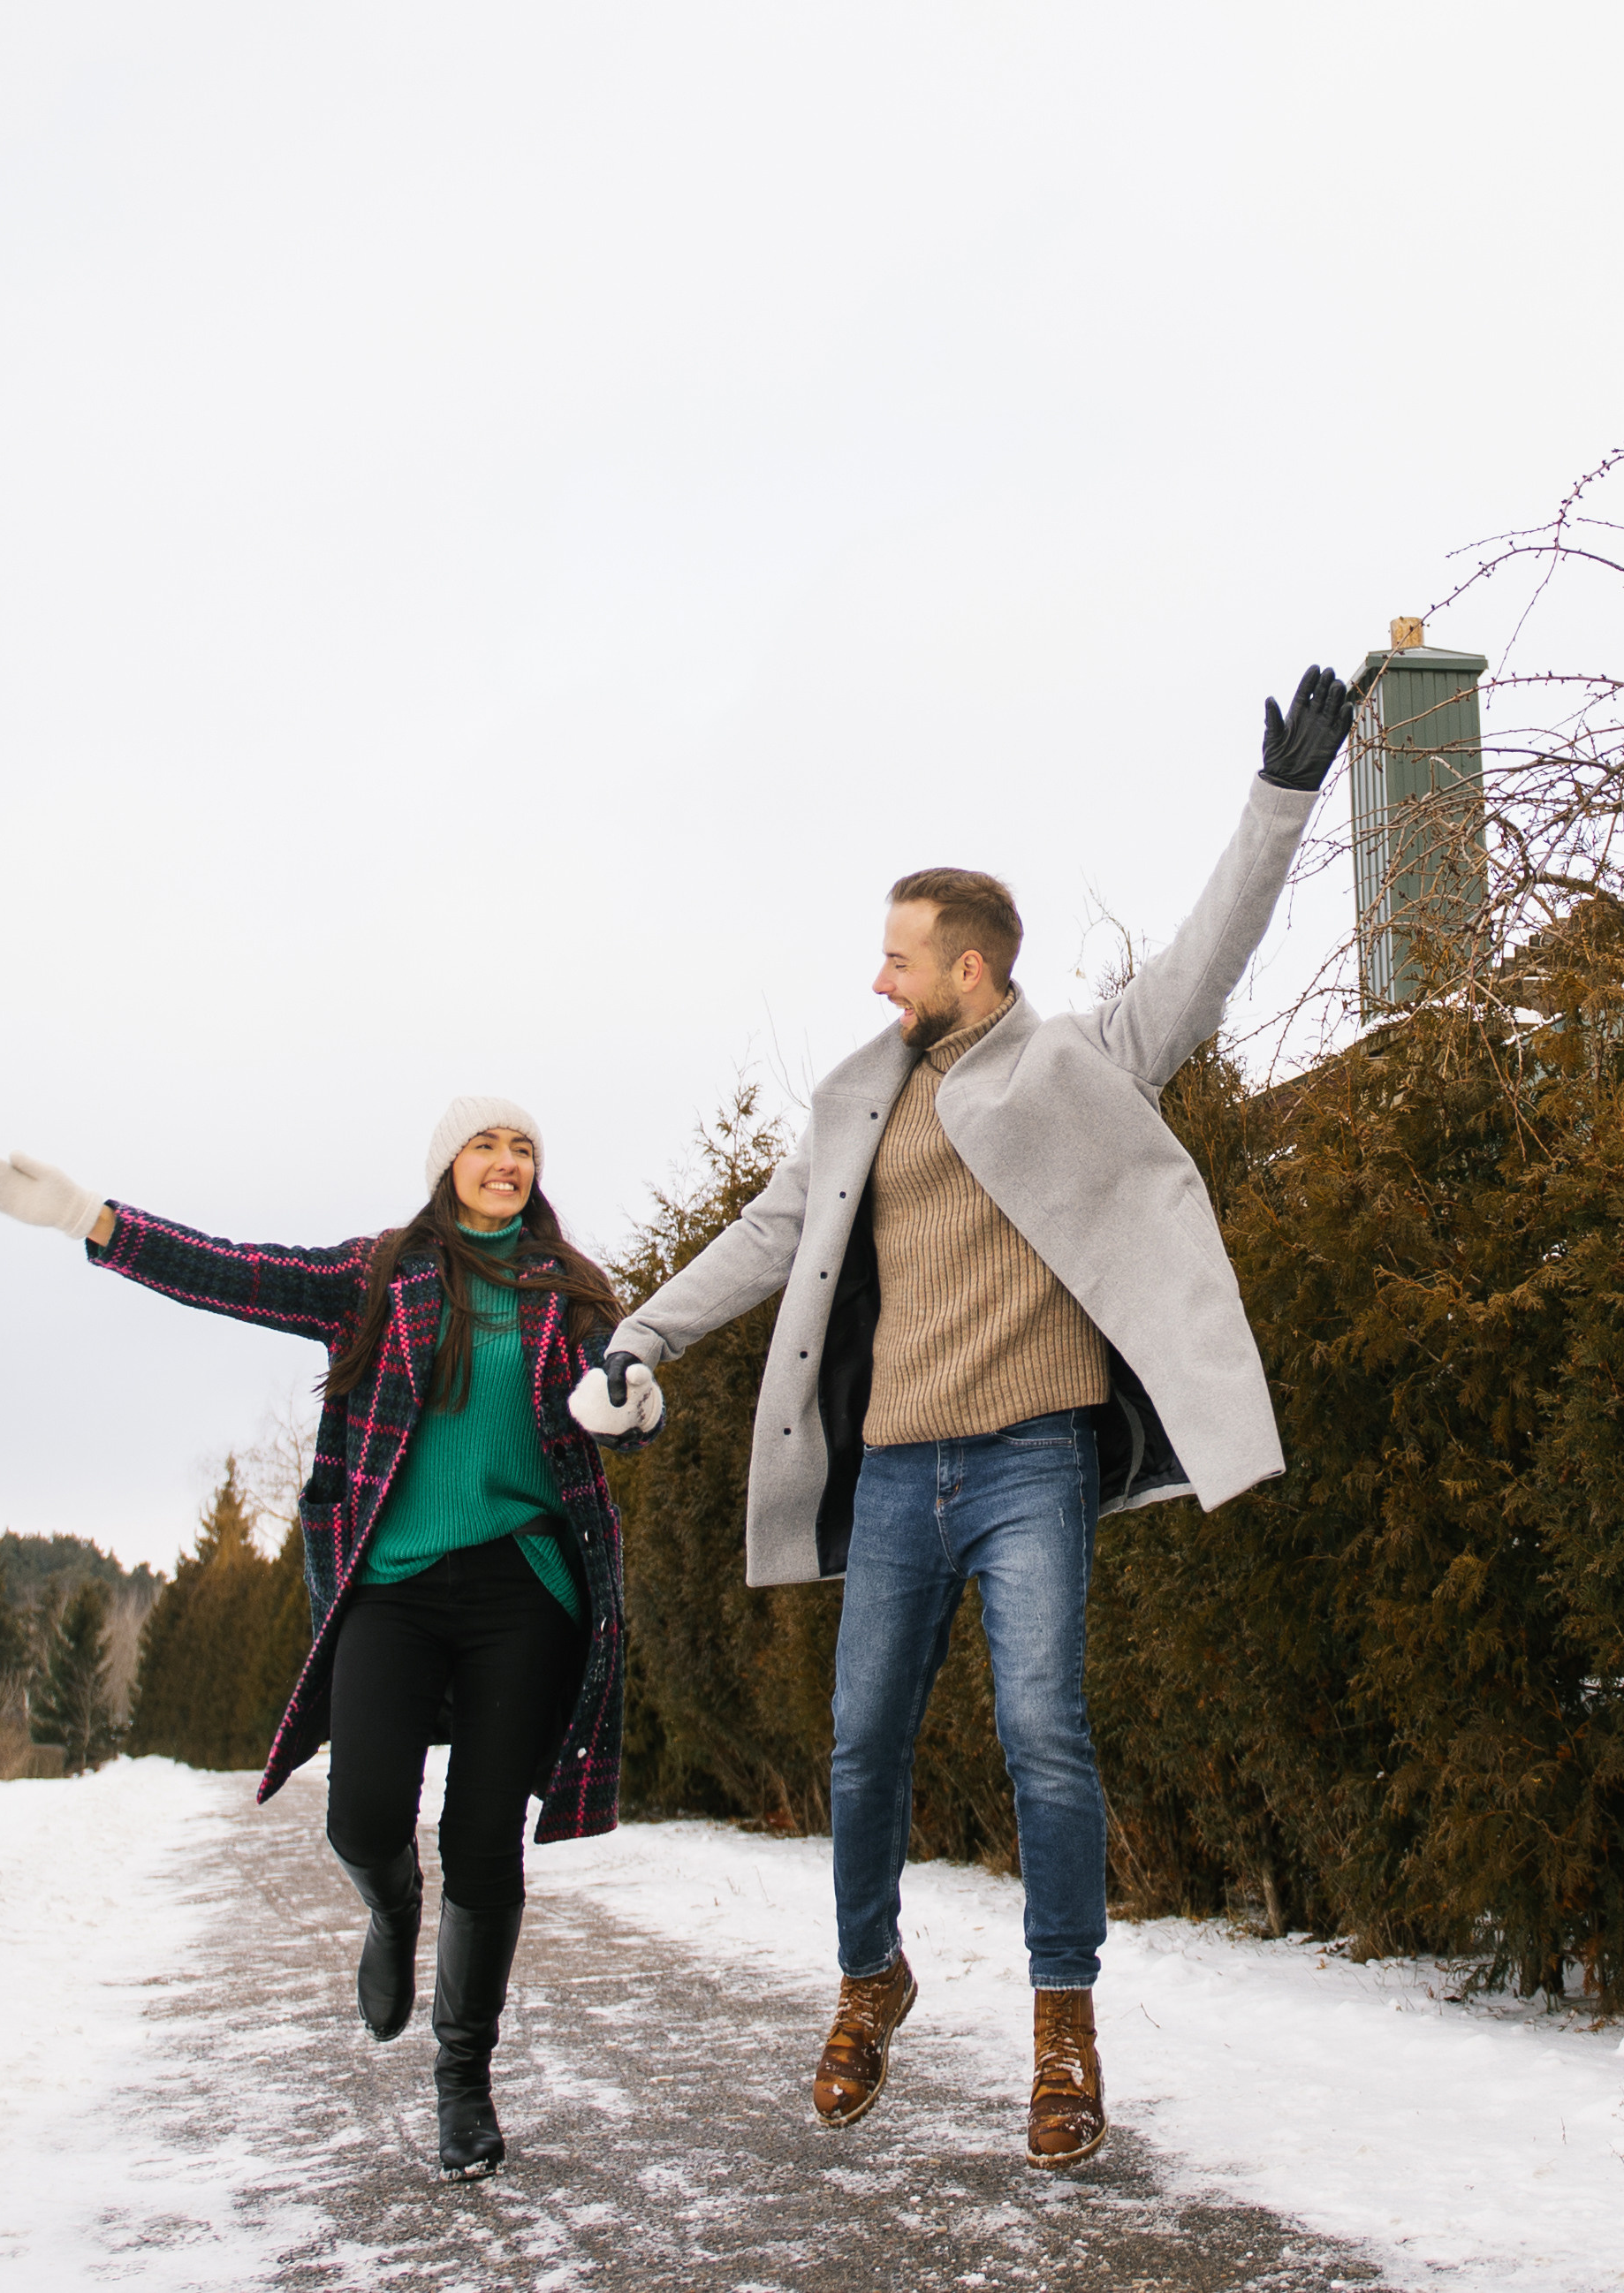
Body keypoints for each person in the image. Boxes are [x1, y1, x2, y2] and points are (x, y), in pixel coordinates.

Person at [604, 666, 1357, 2170]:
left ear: (971, 966)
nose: (877, 980)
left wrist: (1279, 800)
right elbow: (764, 1235)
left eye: (898, 957)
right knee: (861, 1740)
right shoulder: (852, 1101)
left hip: (1028, 1454)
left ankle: (1062, 2025)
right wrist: (638, 1328)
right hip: (894, 1464)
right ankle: (867, 1975)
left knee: (1041, 1733)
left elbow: (1206, 958)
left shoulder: (1076, 1058)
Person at [0, 1094, 662, 2181]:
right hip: (393, 1585)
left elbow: (611, 1381)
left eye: (523, 1146)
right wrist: (90, 1220)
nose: (507, 1160)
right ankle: (391, 1913)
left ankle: (463, 2083)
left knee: (484, 1837)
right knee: (364, 1813)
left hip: (524, 1588)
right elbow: (237, 1273)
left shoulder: (566, 1288)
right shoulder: (380, 1274)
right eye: (485, 1142)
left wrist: (628, 1403)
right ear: (446, 1164)